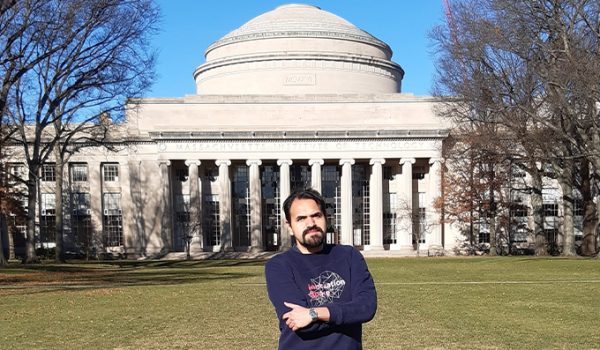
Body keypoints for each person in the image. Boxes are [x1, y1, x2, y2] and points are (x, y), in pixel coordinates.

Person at [265, 188, 377, 350]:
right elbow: (300, 324)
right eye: (301, 218)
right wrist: (346, 313)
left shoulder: (349, 255)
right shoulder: (279, 265)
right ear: (289, 226)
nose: (311, 224)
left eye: (316, 215)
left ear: (326, 217)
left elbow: (366, 308)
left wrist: (313, 313)